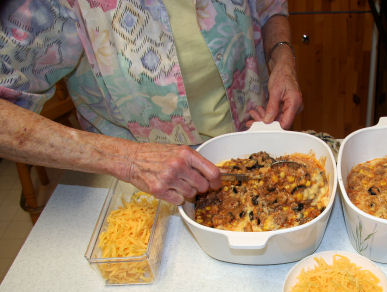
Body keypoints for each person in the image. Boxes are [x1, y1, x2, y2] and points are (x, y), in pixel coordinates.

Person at [0, 0, 302, 205]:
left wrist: (282, 56)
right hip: (135, 182)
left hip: (249, 139)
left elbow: (269, 5)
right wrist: (130, 161)